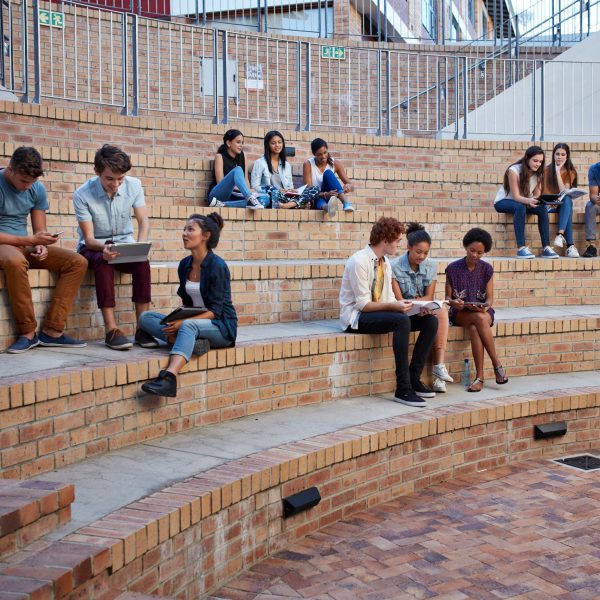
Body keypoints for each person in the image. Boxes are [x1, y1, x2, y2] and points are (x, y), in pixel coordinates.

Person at [340, 217, 438, 408]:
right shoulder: (359, 261)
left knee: (430, 321)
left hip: (378, 313)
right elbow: (363, 305)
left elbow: (390, 299)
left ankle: (413, 378)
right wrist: (396, 307)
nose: (399, 245)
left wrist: (414, 308)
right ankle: (403, 388)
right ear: (385, 240)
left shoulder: (384, 263)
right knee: (401, 321)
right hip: (357, 319)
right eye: (398, 241)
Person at [138, 213, 237, 397]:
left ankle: (168, 378)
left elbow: (215, 312)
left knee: (188, 326)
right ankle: (191, 341)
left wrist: (183, 324)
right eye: (184, 229)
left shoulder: (218, 266)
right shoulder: (185, 265)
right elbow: (186, 304)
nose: (184, 233)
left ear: (205, 236)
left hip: (221, 327)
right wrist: (177, 321)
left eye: (190, 229)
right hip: (193, 322)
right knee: (146, 317)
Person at [0, 146, 87, 353]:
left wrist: (40, 243)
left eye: (32, 182)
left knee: (77, 262)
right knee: (15, 261)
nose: (27, 186)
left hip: (24, 244)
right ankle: (28, 333)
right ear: (10, 169)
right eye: (23, 181)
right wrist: (29, 239)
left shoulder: (35, 188)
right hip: (4, 245)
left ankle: (52, 331)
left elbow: (40, 229)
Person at [74, 144, 155, 351]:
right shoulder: (82, 194)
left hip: (124, 242)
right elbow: (89, 238)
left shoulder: (134, 185)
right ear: (97, 172)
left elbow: (143, 221)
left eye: (120, 179)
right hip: (94, 246)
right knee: (104, 261)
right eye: (110, 179)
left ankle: (142, 327)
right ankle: (111, 330)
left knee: (142, 264)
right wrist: (104, 248)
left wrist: (140, 245)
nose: (116, 184)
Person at [390, 223, 453, 393]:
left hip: (419, 310)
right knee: (410, 319)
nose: (422, 256)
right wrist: (417, 303)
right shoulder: (394, 265)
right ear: (409, 247)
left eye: (425, 253)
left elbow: (429, 297)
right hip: (401, 311)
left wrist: (423, 305)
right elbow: (398, 299)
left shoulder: (431, 265)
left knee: (432, 321)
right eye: (418, 252)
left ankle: (415, 376)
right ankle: (410, 380)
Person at [445, 228, 508, 393]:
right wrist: (455, 302)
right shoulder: (452, 268)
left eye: (480, 252)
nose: (475, 255)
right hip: (461, 313)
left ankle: (479, 378)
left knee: (476, 325)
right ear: (465, 246)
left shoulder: (487, 269)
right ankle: (497, 365)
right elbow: (448, 298)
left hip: (482, 312)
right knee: (478, 320)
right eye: (472, 250)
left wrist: (483, 306)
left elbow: (489, 300)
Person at [494, 146, 558, 259]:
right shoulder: (513, 170)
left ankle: (546, 248)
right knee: (520, 206)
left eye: (540, 161)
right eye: (535, 160)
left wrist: (543, 201)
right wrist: (529, 200)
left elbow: (537, 195)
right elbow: (516, 196)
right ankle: (521, 248)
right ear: (527, 158)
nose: (538, 164)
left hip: (524, 202)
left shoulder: (539, 174)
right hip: (504, 201)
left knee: (542, 208)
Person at [250, 130, 319, 209]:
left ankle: (288, 205)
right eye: (273, 143)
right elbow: (254, 187)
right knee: (270, 188)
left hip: (285, 197)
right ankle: (297, 204)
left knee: (315, 189)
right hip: (271, 197)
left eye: (279, 142)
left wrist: (292, 190)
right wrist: (278, 190)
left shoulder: (286, 165)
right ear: (268, 145)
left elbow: (289, 186)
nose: (277, 145)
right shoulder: (260, 163)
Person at [207, 129, 262, 210]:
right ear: (229, 143)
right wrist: (243, 190)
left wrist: (248, 190)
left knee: (263, 199)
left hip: (233, 197)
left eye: (242, 142)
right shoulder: (220, 157)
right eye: (238, 142)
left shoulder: (243, 157)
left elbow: (246, 181)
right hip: (217, 196)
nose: (241, 145)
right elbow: (220, 183)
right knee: (238, 170)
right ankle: (249, 198)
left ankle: (224, 205)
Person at [543, 143, 580, 258]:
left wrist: (558, 171)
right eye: (557, 154)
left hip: (561, 204)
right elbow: (542, 191)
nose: (559, 157)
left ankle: (560, 235)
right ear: (553, 155)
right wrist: (550, 202)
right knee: (568, 210)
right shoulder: (545, 170)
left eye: (562, 154)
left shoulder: (570, 172)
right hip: (547, 205)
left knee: (568, 199)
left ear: (567, 157)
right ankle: (570, 246)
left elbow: (564, 192)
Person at [303, 138, 356, 217]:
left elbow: (352, 186)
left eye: (325, 152)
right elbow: (309, 191)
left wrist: (349, 186)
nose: (323, 156)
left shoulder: (335, 163)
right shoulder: (308, 164)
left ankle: (346, 203)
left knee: (328, 173)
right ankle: (328, 208)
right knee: (319, 200)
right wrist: (325, 194)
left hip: (330, 197)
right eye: (319, 154)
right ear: (314, 154)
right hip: (316, 197)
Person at [583, 160, 600, 257]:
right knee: (590, 206)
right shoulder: (594, 169)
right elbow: (593, 195)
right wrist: (596, 199)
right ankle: (591, 246)